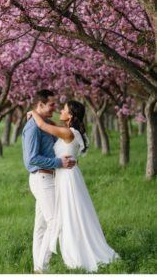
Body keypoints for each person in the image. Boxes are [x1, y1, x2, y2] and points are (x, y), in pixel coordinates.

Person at [29, 101, 119, 272]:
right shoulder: (71, 132)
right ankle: (44, 264)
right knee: (71, 215)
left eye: (64, 109)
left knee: (65, 216)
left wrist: (33, 112)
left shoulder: (68, 133)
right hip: (67, 175)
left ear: (70, 115)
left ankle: (43, 267)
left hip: (66, 177)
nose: (60, 110)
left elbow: (41, 124)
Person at [22, 89, 76, 273]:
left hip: (50, 178)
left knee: (42, 225)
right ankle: (41, 269)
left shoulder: (46, 123)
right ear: (40, 105)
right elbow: (31, 160)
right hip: (42, 178)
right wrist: (59, 162)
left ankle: (38, 267)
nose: (55, 107)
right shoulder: (32, 127)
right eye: (52, 104)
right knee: (55, 223)